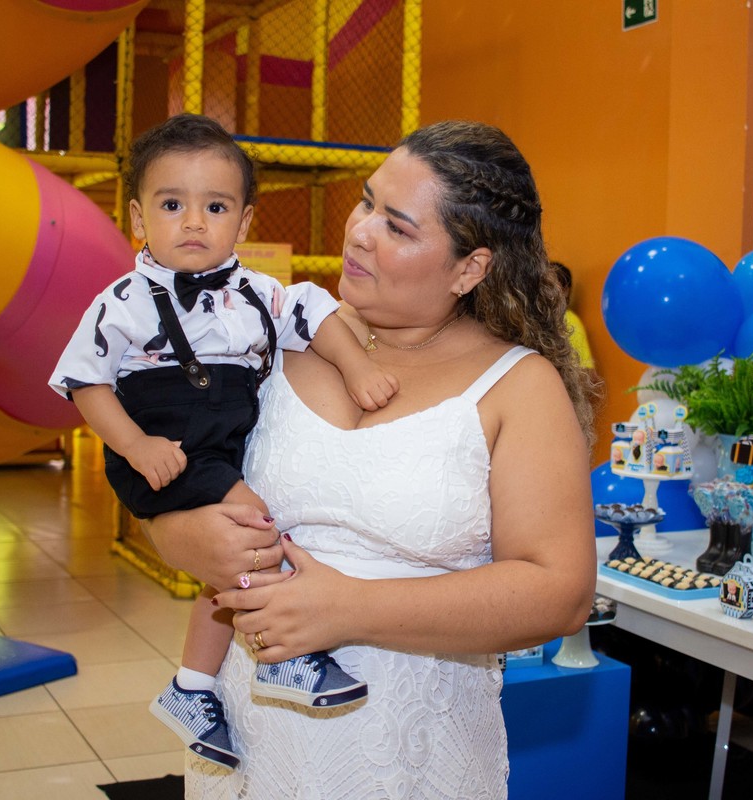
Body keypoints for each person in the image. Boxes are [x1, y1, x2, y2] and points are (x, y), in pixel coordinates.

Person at [143, 119, 600, 798]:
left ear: (470, 268)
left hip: (403, 754)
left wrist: (351, 608)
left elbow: (559, 592)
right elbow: (168, 475)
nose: (359, 231)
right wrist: (181, 535)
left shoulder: (517, 387)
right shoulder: (267, 336)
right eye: (366, 201)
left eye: (399, 226)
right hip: (247, 741)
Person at [49, 114, 399, 769]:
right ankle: (282, 656)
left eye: (214, 207)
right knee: (253, 530)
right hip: (164, 447)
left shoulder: (256, 293)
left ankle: (191, 688)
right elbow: (86, 384)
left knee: (224, 571)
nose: (192, 222)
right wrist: (133, 446)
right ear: (136, 218)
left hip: (219, 445)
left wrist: (357, 367)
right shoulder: (121, 301)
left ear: (242, 224)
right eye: (172, 204)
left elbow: (315, 312)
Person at [551, 260, 601, 385]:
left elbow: (590, 374)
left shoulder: (568, 321)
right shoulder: (534, 321)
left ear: (565, 290)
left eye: (551, 286)